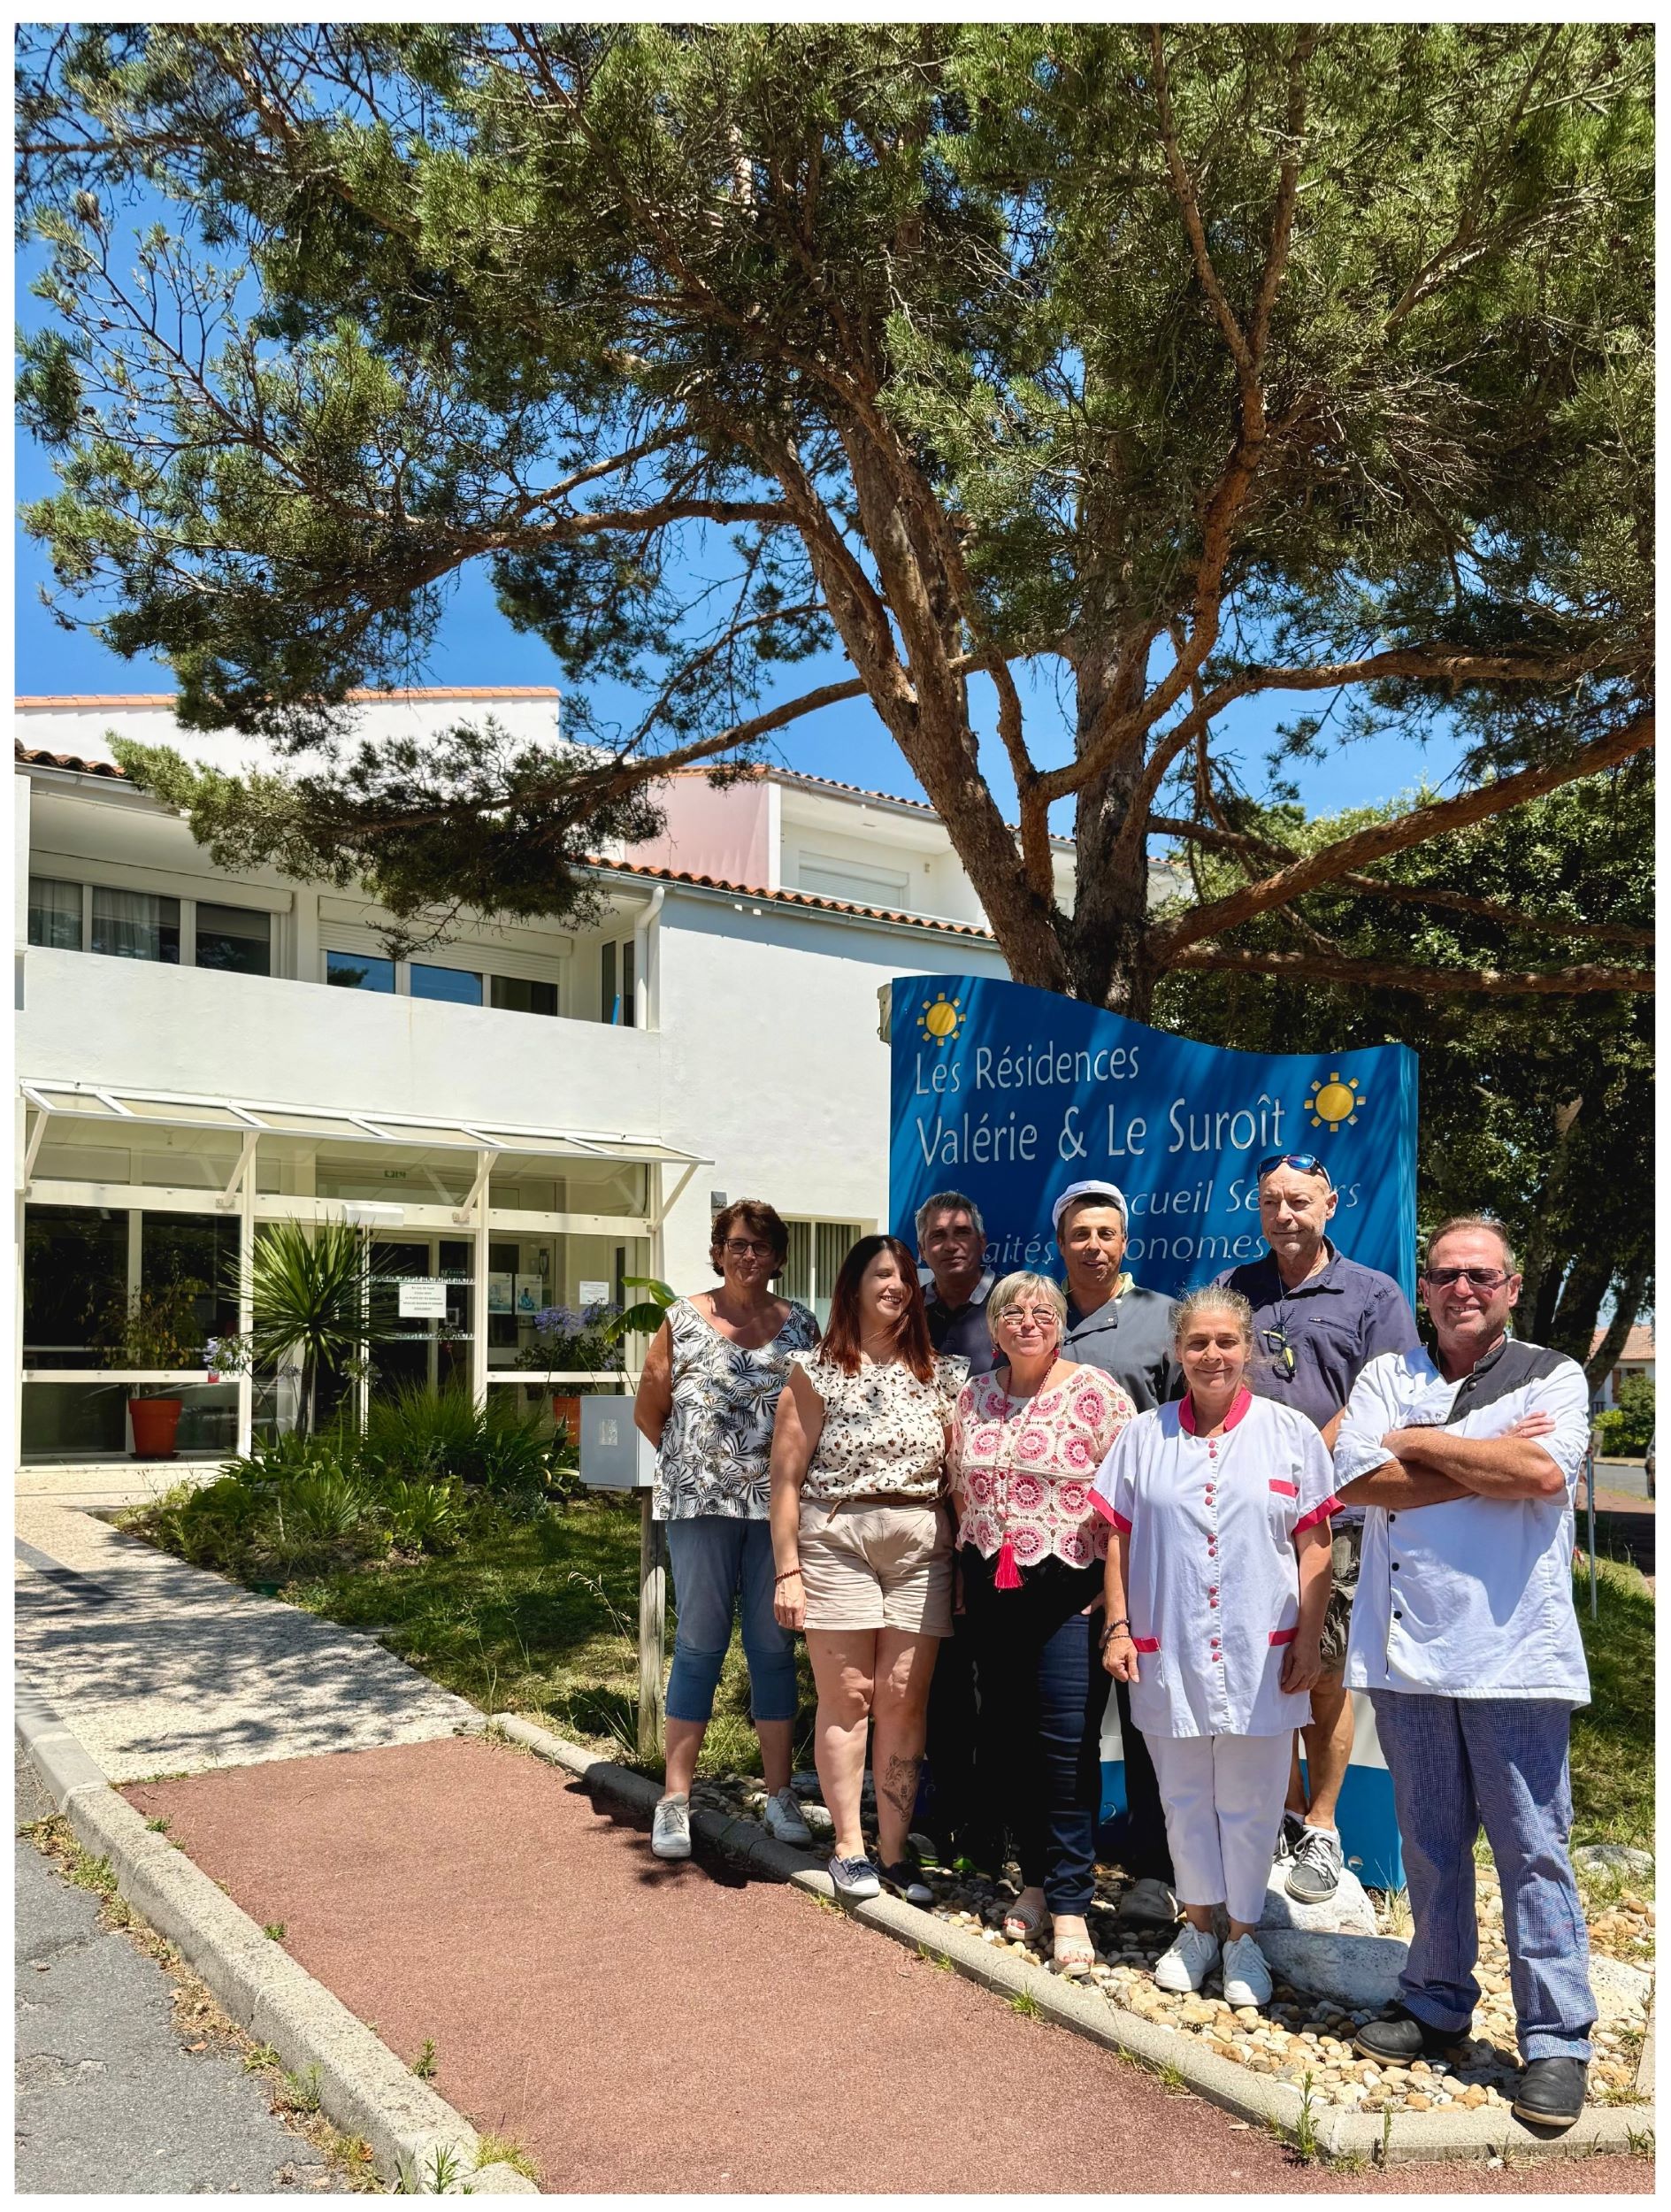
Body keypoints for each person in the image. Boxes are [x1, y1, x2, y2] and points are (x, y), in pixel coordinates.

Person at [1333, 1217, 1599, 2130]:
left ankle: (1556, 2039)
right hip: (1407, 1654)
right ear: (1425, 1287)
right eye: (1445, 1274)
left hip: (1513, 1653)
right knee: (1431, 1845)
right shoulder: (1387, 1374)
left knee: (1532, 1852)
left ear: (1511, 1287)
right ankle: (1436, 2000)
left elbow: (1538, 1472)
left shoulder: (1551, 1374)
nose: (1461, 1289)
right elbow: (1355, 1482)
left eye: (1480, 1275)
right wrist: (1482, 1456)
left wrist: (1412, 1442)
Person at [1093, 1288, 1336, 2008]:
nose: (1211, 1355)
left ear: (1247, 1348)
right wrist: (1117, 1625)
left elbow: (1315, 1544)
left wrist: (1309, 1639)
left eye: (1226, 1341)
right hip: (1166, 1644)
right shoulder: (1142, 1436)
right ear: (1177, 1351)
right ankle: (1197, 1928)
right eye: (1197, 1342)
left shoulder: (1289, 1433)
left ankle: (1243, 1937)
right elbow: (1118, 1539)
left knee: (1252, 1800)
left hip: (1262, 1651)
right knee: (1182, 1796)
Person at [1215, 1152, 1422, 1902]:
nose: (1284, 1214)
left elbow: (1387, 1399)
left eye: (1298, 1201)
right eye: (1271, 1201)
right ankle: (1285, 1813)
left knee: (1322, 1673)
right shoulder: (1233, 1289)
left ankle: (1324, 1830)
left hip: (1337, 1516)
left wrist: (1304, 1464)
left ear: (1329, 1204)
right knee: (1258, 1669)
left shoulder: (1372, 1294)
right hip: (1246, 1518)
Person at [769, 1235, 965, 1902]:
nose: (896, 1286)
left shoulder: (942, 1375)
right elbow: (785, 1480)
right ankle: (849, 1847)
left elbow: (958, 1479)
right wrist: (787, 1571)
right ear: (852, 1285)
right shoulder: (816, 1371)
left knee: (903, 1699)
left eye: (905, 1276)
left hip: (921, 1544)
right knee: (849, 1694)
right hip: (837, 1537)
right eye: (881, 1274)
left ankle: (895, 1852)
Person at [950, 1271, 1135, 1974]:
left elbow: (1124, 1506)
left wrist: (1114, 1598)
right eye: (1012, 1312)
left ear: (1059, 1323)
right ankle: (1033, 1880)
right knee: (1011, 1744)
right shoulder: (972, 1396)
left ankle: (1070, 1904)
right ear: (993, 1328)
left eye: (1041, 1311)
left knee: (1064, 1749)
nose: (1027, 1321)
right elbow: (958, 1492)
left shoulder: (1096, 1394)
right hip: (992, 1594)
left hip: (1068, 1597)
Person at [633, 1200, 819, 1863]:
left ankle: (778, 1794)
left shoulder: (802, 1326)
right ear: (718, 1251)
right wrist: (702, 1468)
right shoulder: (680, 1319)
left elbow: (814, 1415)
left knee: (772, 1647)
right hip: (701, 1509)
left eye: (761, 1246)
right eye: (737, 1244)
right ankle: (674, 1799)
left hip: (777, 1513)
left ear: (777, 1257)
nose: (748, 1256)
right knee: (699, 1644)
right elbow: (650, 1410)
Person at [1052, 1179, 1181, 1931]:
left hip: (1142, 1555)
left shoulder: (1162, 1319)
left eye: (1106, 1234)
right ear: (1060, 1244)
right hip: (1056, 1557)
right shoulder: (1039, 1314)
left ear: (1125, 1242)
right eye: (1080, 1235)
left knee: (1145, 1720)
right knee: (1067, 1722)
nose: (1093, 1247)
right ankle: (1058, 1866)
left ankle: (1153, 1869)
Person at [914, 1188, 996, 1871]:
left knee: (991, 1680)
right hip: (919, 1521)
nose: (950, 1243)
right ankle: (939, 1815)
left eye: (961, 1231)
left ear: (981, 1242)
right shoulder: (904, 1314)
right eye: (937, 1235)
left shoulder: (1006, 1311)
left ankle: (989, 1828)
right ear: (923, 1248)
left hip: (994, 1526)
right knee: (936, 1680)